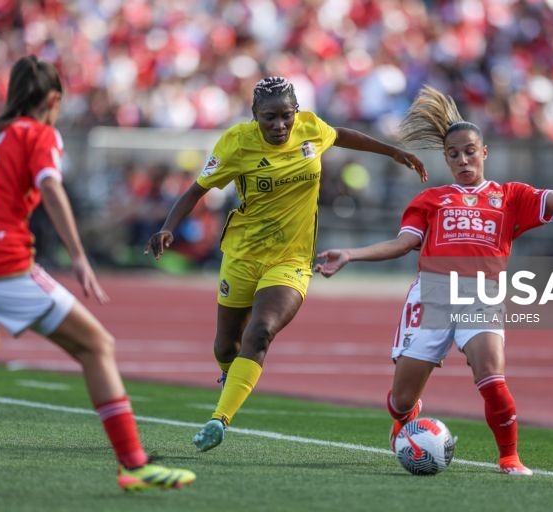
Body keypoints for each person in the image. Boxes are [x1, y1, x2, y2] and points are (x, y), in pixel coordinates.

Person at [0, 55, 195, 492]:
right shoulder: (40, 133)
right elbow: (50, 186)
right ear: (54, 99)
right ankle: (134, 465)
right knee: (97, 345)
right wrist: (78, 254)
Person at [313, 85, 553, 476]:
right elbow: (403, 244)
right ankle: (406, 419)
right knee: (400, 399)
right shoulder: (431, 200)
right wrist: (351, 254)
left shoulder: (511, 196)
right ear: (446, 159)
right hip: (431, 295)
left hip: (482, 295)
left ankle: (509, 458)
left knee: (492, 376)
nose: (463, 160)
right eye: (454, 154)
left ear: (484, 152)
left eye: (469, 151)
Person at [146, 76, 428, 452]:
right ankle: (232, 377)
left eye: (286, 116)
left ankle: (219, 419)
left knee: (261, 331)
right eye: (270, 118)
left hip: (291, 259)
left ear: (297, 112)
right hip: (242, 256)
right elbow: (197, 190)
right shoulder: (236, 143)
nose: (280, 125)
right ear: (254, 116)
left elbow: (340, 135)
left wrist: (392, 152)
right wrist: (168, 227)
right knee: (225, 347)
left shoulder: (311, 127)